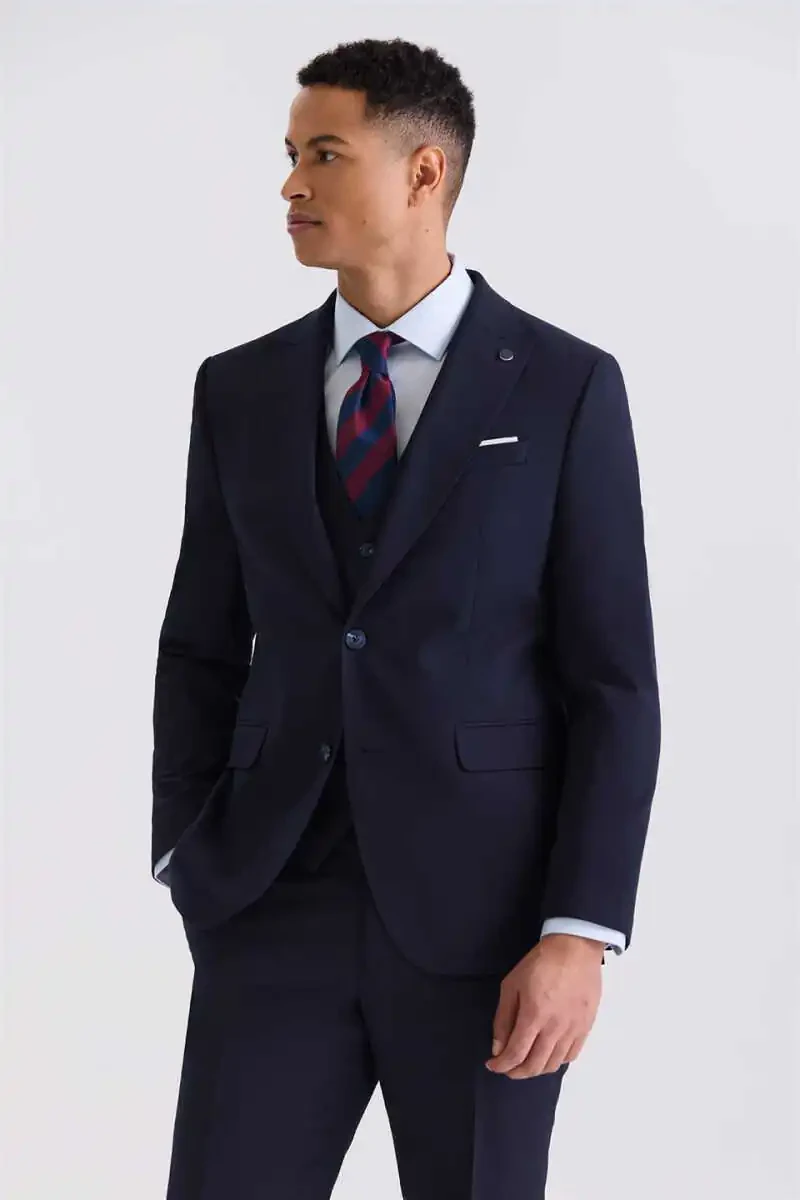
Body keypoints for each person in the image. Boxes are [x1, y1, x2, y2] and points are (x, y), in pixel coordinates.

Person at [151, 36, 661, 1200]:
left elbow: (611, 684)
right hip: (269, 902)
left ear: (423, 171)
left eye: (323, 154)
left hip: (488, 922)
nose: (291, 183)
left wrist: (578, 930)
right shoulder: (239, 389)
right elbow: (199, 643)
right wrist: (186, 847)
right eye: (290, 154)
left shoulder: (563, 386)